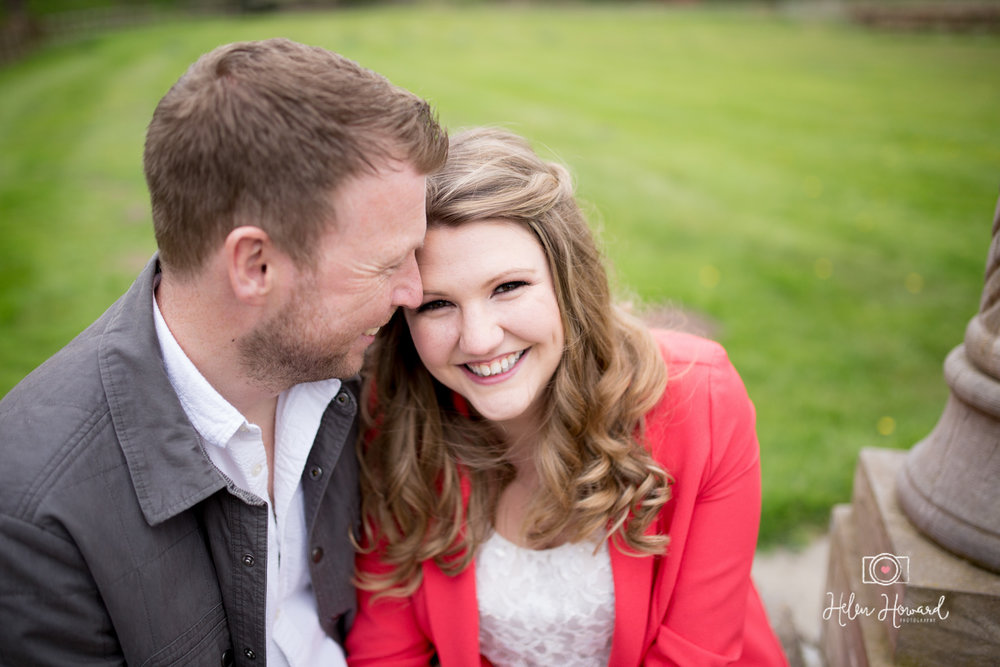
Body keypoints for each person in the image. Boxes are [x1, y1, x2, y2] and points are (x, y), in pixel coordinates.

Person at [0, 38, 447, 666]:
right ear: (255, 264)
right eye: (387, 264)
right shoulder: (34, 512)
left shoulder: (356, 359)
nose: (414, 292)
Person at [346, 127, 788, 666]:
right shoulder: (393, 416)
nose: (479, 339)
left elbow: (695, 655)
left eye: (508, 287)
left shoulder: (702, 399)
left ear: (568, 281)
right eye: (437, 305)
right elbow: (386, 650)